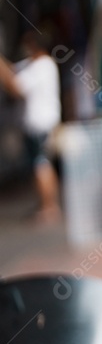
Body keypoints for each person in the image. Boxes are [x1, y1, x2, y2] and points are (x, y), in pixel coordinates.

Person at [0, 31, 62, 222]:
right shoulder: (35, 64)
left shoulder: (42, 66)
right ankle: (47, 205)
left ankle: (49, 207)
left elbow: (16, 87)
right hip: (38, 123)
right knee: (40, 162)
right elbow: (14, 72)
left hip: (39, 124)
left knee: (40, 163)